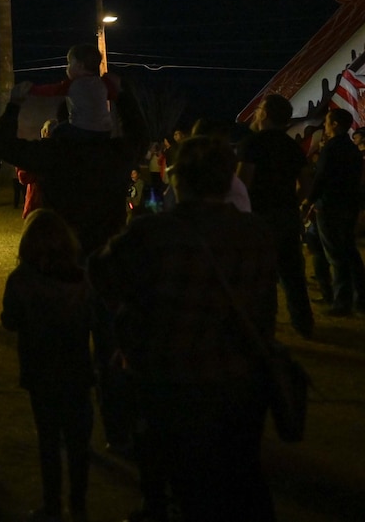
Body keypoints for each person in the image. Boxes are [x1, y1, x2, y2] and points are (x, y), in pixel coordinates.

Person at [89, 135, 279, 522]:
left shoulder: (155, 232)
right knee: (240, 473)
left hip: (171, 375)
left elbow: (101, 274)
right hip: (241, 378)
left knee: (175, 471)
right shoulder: (256, 232)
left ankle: (156, 505)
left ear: (178, 180)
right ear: (228, 180)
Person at [0, 74, 148, 454]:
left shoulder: (55, 152)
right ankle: (117, 430)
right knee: (111, 351)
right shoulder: (115, 153)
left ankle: (71, 433)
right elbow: (141, 137)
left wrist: (15, 104)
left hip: (65, 267)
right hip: (108, 264)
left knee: (68, 354)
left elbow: (2, 145)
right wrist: (124, 97)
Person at [1, 209, 93, 522]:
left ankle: (52, 505)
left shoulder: (22, 280)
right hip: (78, 370)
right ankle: (78, 506)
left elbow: (9, 321)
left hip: (40, 370)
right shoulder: (83, 281)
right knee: (79, 442)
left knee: (49, 440)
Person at [237, 93, 314, 337]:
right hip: (287, 215)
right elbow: (306, 184)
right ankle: (304, 323)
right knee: (292, 272)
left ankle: (265, 326)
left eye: (259, 108)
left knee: (262, 274)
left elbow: (243, 183)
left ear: (265, 114)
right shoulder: (292, 146)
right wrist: (294, 202)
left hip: (260, 216)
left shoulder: (252, 144)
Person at [302, 108, 365, 316]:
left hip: (330, 206)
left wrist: (309, 201)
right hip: (348, 205)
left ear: (335, 124)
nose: (325, 126)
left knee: (336, 255)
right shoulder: (353, 149)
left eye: (328, 122)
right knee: (349, 252)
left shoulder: (331, 148)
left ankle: (341, 302)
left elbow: (321, 178)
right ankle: (359, 298)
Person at [29, 43, 114, 138]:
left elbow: (51, 90)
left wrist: (32, 89)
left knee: (58, 131)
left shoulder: (72, 84)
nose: (67, 67)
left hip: (81, 129)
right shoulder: (102, 83)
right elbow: (112, 94)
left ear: (80, 66)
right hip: (105, 130)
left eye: (69, 63)